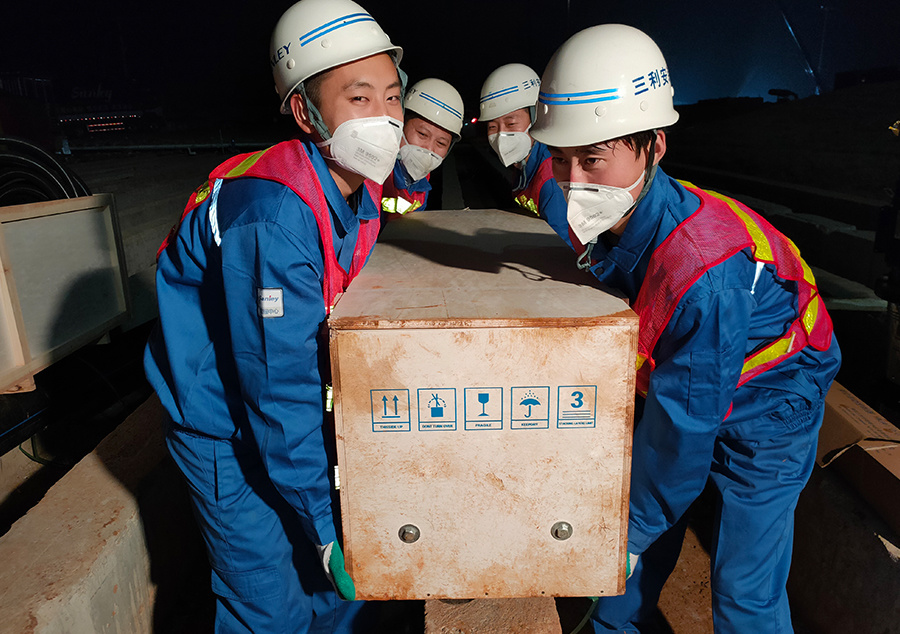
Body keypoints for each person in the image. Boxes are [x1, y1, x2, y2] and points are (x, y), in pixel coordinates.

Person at [530, 24, 841, 633]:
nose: (574, 180)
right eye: (561, 159)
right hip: (693, 379)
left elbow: (686, 427)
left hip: (773, 400)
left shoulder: (702, 270)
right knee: (622, 583)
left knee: (742, 588)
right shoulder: (622, 214)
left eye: (593, 159)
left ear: (654, 146)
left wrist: (630, 535)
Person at [143, 0, 405, 631]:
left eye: (393, 97)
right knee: (268, 600)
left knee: (335, 590)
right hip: (225, 426)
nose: (386, 119)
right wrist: (321, 521)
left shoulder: (356, 187)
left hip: (288, 416)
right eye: (359, 98)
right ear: (304, 111)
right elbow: (274, 383)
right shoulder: (275, 214)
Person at [479, 63, 570, 243]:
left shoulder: (550, 178)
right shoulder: (524, 165)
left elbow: (563, 247)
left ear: (536, 117)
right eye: (492, 127)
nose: (501, 135)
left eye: (511, 124)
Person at [381, 77, 464, 216]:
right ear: (401, 124)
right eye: (422, 134)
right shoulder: (374, 174)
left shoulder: (423, 182)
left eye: (441, 143)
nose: (429, 149)